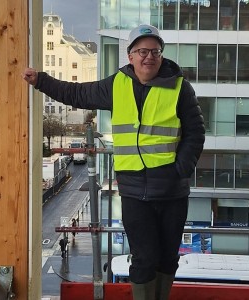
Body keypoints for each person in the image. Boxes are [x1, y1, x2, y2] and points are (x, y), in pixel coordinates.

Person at [23, 24, 205, 300]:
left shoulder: (180, 88)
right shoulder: (116, 85)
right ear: (130, 56)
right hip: (133, 191)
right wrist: (41, 81)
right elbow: (78, 93)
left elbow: (195, 132)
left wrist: (181, 169)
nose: (149, 57)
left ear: (161, 55)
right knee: (144, 259)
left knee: (168, 259)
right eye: (142, 51)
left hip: (172, 191)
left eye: (154, 51)